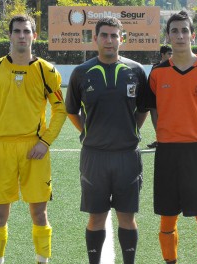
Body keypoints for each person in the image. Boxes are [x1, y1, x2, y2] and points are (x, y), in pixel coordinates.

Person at [0, 15, 67, 264]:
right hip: (2, 149)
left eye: (26, 31)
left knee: (39, 212)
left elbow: (60, 110)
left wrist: (45, 142)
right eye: (17, 31)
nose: (21, 36)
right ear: (10, 35)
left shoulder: (47, 71)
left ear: (34, 36)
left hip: (34, 150)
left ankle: (42, 261)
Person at [65, 16, 149, 264]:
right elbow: (71, 110)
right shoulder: (81, 73)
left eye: (114, 36)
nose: (109, 40)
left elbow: (142, 109)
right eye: (104, 35)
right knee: (96, 218)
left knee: (127, 217)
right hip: (94, 157)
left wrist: (129, 129)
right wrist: (88, 132)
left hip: (127, 155)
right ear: (95, 38)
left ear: (121, 39)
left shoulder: (135, 71)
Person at [147, 11, 197, 264]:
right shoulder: (157, 73)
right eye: (174, 31)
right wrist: (165, 133)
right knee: (167, 218)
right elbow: (154, 109)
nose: (180, 35)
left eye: (184, 30)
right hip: (168, 152)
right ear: (167, 35)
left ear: (193, 34)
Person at [147, 45, 172, 149]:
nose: (171, 56)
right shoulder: (156, 67)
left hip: (168, 97)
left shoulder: (175, 66)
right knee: (154, 113)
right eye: (169, 54)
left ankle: (170, 138)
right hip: (156, 96)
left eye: (172, 54)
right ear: (163, 54)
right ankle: (160, 138)